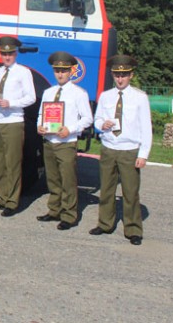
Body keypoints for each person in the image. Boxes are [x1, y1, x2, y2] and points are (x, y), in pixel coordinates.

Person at [91, 55, 152, 246]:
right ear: (112, 74)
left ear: (131, 75)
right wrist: (103, 124)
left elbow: (146, 128)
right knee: (107, 189)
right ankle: (105, 223)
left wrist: (143, 154)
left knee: (130, 191)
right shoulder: (105, 96)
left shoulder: (140, 97)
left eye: (124, 75)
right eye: (117, 74)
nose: (120, 78)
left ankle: (133, 229)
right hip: (109, 147)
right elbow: (97, 120)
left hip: (129, 149)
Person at [36, 51, 93, 230]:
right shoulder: (48, 92)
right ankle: (54, 210)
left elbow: (87, 118)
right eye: (57, 71)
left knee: (68, 180)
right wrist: (39, 126)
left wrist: (71, 129)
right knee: (52, 179)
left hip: (66, 141)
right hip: (49, 141)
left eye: (64, 71)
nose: (60, 74)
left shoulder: (79, 93)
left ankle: (69, 215)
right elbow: (41, 114)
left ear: (70, 72)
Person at [0, 36, 36, 217]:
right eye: (4, 53)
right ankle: (1, 197)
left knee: (12, 163)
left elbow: (31, 97)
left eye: (10, 53)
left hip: (13, 122)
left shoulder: (23, 72)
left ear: (16, 53)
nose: (7, 57)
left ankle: (12, 202)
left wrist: (12, 103)